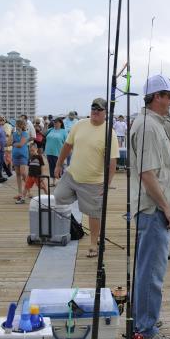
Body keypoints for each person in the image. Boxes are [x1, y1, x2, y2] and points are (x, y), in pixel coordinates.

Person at [129, 74, 170, 339]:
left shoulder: (157, 122)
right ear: (157, 97)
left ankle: (144, 319)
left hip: (156, 207)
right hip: (152, 208)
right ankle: (145, 328)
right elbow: (147, 174)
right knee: (151, 272)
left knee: (150, 269)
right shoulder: (146, 127)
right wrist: (167, 209)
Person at [54, 98, 119, 256]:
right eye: (93, 108)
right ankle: (75, 222)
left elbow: (112, 162)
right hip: (72, 175)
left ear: (106, 113)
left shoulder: (110, 132)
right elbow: (67, 145)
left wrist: (107, 184)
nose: (95, 111)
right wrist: (58, 164)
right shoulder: (80, 124)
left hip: (94, 182)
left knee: (94, 214)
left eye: (99, 109)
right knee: (58, 196)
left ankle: (93, 244)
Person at [11, 118, 29, 203]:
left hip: (23, 155)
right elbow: (8, 142)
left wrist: (14, 144)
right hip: (15, 155)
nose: (16, 126)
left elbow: (21, 144)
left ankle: (28, 190)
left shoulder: (25, 133)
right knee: (17, 174)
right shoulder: (14, 133)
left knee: (23, 173)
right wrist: (11, 135)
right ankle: (20, 193)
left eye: (17, 125)